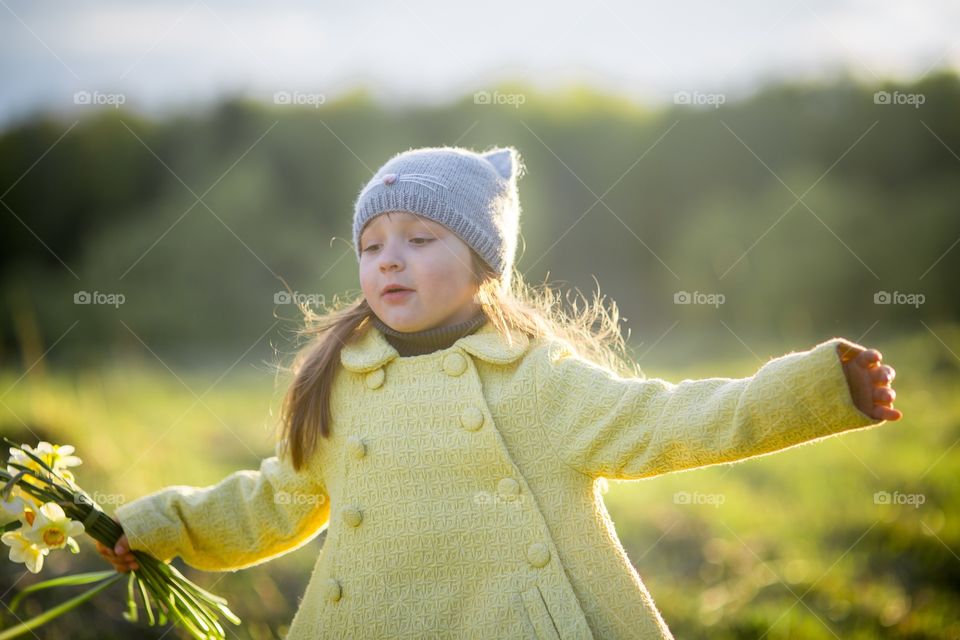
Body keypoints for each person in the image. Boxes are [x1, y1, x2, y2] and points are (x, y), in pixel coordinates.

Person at [96, 145, 901, 639]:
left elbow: (667, 419)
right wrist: (152, 526)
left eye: (419, 238)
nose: (389, 260)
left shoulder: (535, 380)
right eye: (372, 244)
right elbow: (273, 502)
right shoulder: (341, 384)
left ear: (484, 265)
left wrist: (814, 390)